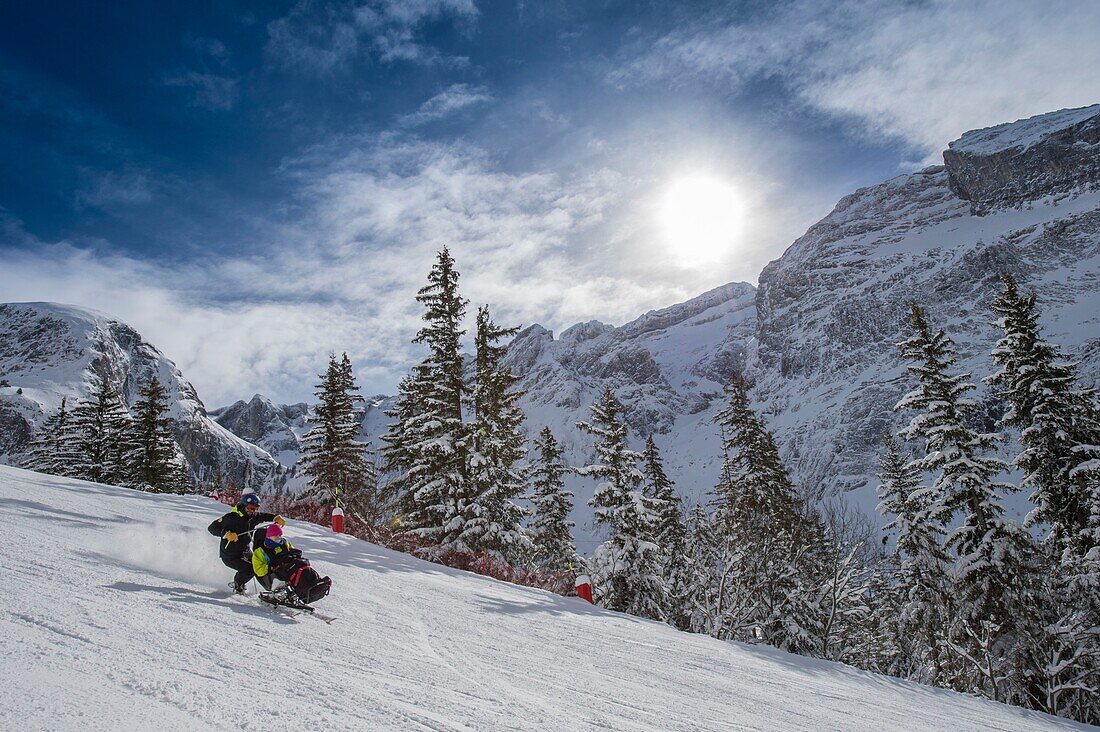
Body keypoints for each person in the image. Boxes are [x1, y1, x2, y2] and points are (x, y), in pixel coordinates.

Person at [207, 493, 285, 593]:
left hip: (245, 552)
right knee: (249, 569)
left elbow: (263, 516)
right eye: (250, 508)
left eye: (256, 508)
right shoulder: (231, 518)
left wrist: (275, 518)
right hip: (230, 555)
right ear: (244, 506)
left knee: (262, 564)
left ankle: (273, 585)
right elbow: (212, 528)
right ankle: (238, 584)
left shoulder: (252, 517)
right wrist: (226, 534)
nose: (253, 511)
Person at [252, 523, 296, 591]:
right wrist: (271, 567)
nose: (278, 537)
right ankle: (278, 593)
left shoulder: (284, 543)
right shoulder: (260, 552)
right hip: (268, 575)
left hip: (285, 570)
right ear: (269, 536)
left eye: (279, 535)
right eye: (275, 535)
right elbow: (258, 570)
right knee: (277, 578)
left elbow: (292, 551)